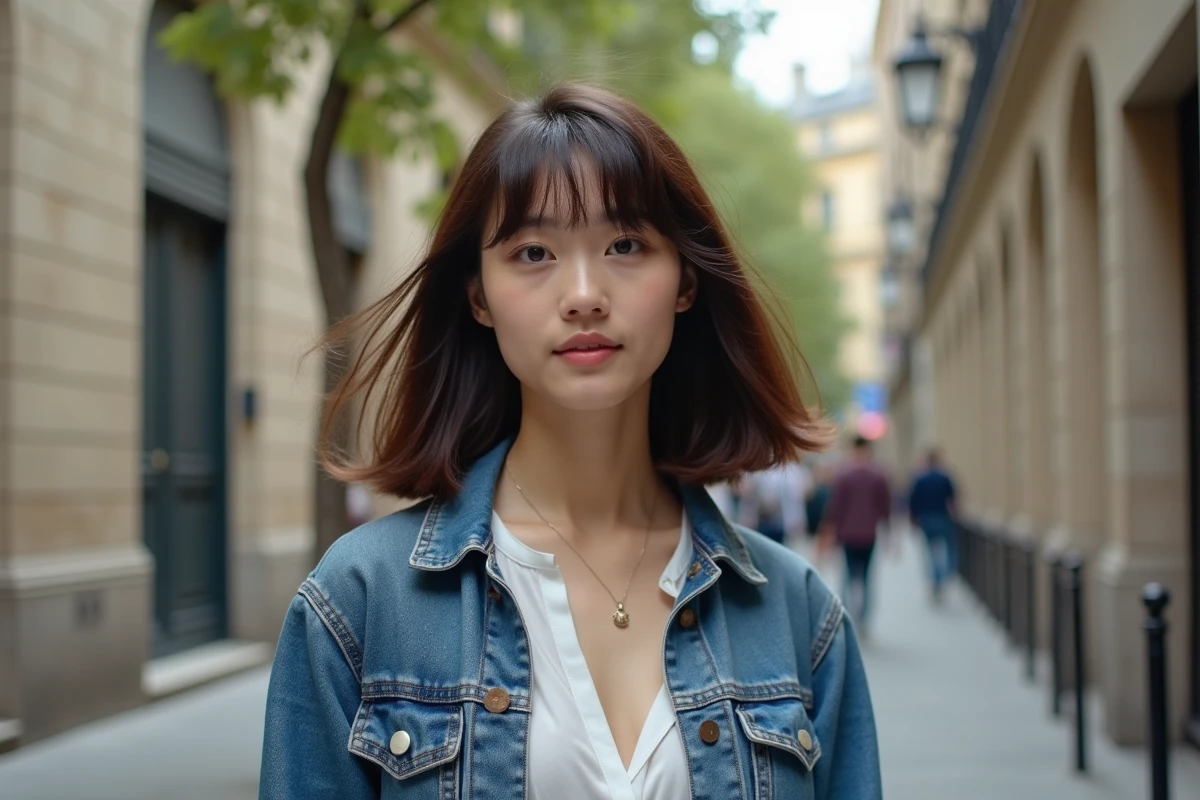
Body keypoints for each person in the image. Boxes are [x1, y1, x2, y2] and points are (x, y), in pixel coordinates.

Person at [259, 84, 881, 800]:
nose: (584, 292)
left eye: (625, 244)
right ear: (478, 297)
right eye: (532, 252)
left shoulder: (796, 613)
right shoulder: (361, 602)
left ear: (684, 280)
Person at [819, 436, 891, 630]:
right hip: (869, 534)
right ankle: (864, 618)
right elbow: (885, 507)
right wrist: (890, 535)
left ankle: (848, 617)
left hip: (848, 534)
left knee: (848, 576)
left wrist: (829, 534)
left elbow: (835, 509)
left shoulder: (844, 476)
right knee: (867, 578)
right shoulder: (878, 475)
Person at [908, 447, 959, 602]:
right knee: (946, 549)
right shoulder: (945, 477)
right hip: (942, 517)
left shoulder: (920, 478)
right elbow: (953, 499)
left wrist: (913, 520)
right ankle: (942, 576)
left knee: (930, 552)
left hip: (926, 519)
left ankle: (935, 578)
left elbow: (913, 501)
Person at [735, 460, 812, 544]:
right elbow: (741, 490)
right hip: (760, 523)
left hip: (784, 523)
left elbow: (807, 492)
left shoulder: (794, 471)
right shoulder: (755, 470)